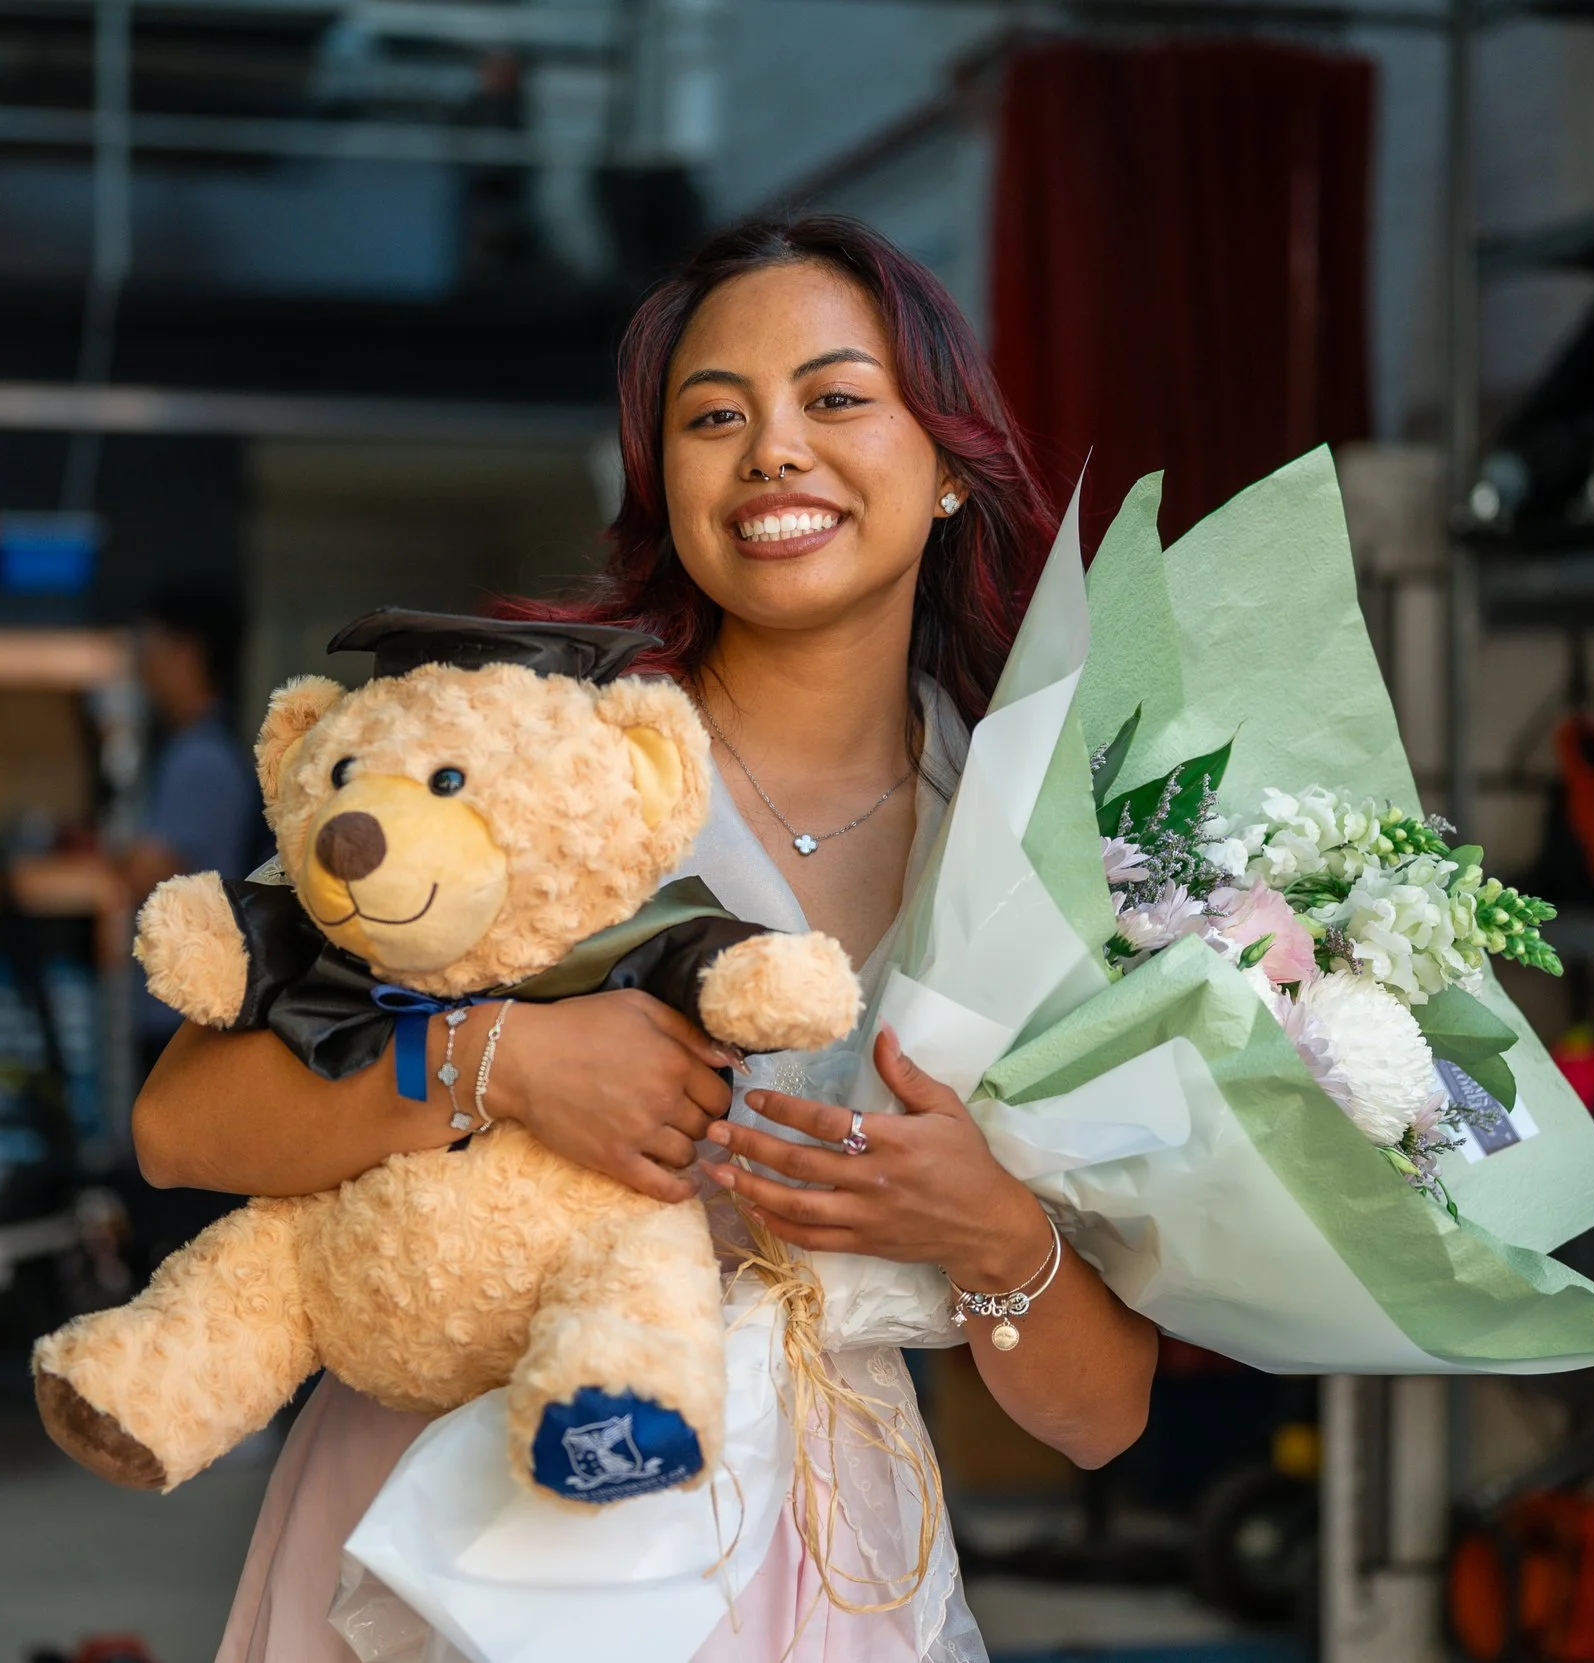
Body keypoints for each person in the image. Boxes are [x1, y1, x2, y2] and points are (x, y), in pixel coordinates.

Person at [134, 216, 1160, 1662]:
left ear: (945, 464)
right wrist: (500, 1057)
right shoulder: (523, 748)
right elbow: (180, 1121)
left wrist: (992, 1228)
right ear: (661, 479)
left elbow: (1104, 1416)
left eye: (837, 397)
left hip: (814, 1561)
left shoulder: (1042, 842)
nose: (774, 452)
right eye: (712, 416)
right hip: (456, 1522)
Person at [120, 582, 264, 1265]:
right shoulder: (197, 750)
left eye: (151, 644)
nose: (143, 661)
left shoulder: (200, 759)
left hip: (185, 1014)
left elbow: (142, 870)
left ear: (187, 652)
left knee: (180, 1213)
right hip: (186, 1010)